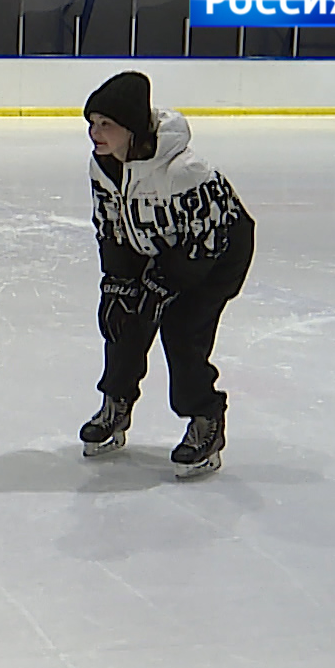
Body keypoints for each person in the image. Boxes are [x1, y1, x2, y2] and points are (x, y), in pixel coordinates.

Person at [80, 71, 257, 477]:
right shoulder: (103, 165)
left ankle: (205, 419)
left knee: (181, 329)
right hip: (156, 246)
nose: (95, 133)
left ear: (132, 129)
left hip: (215, 256)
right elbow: (110, 225)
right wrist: (118, 281)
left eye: (107, 124)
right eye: (92, 122)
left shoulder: (183, 170)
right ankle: (116, 403)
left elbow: (209, 240)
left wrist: (165, 283)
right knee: (125, 318)